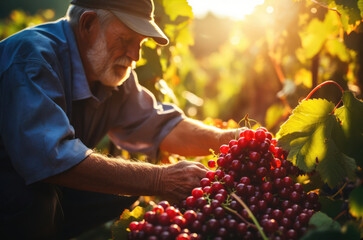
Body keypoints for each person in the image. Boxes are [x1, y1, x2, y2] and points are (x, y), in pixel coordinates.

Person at [0, 0, 237, 238]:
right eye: (126, 40)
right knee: (33, 198)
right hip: (15, 187)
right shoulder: (32, 58)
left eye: (140, 43)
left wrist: (226, 140)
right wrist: (159, 178)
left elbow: (160, 125)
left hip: (43, 187)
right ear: (88, 24)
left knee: (125, 191)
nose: (135, 55)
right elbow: (50, 159)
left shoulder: (108, 71)